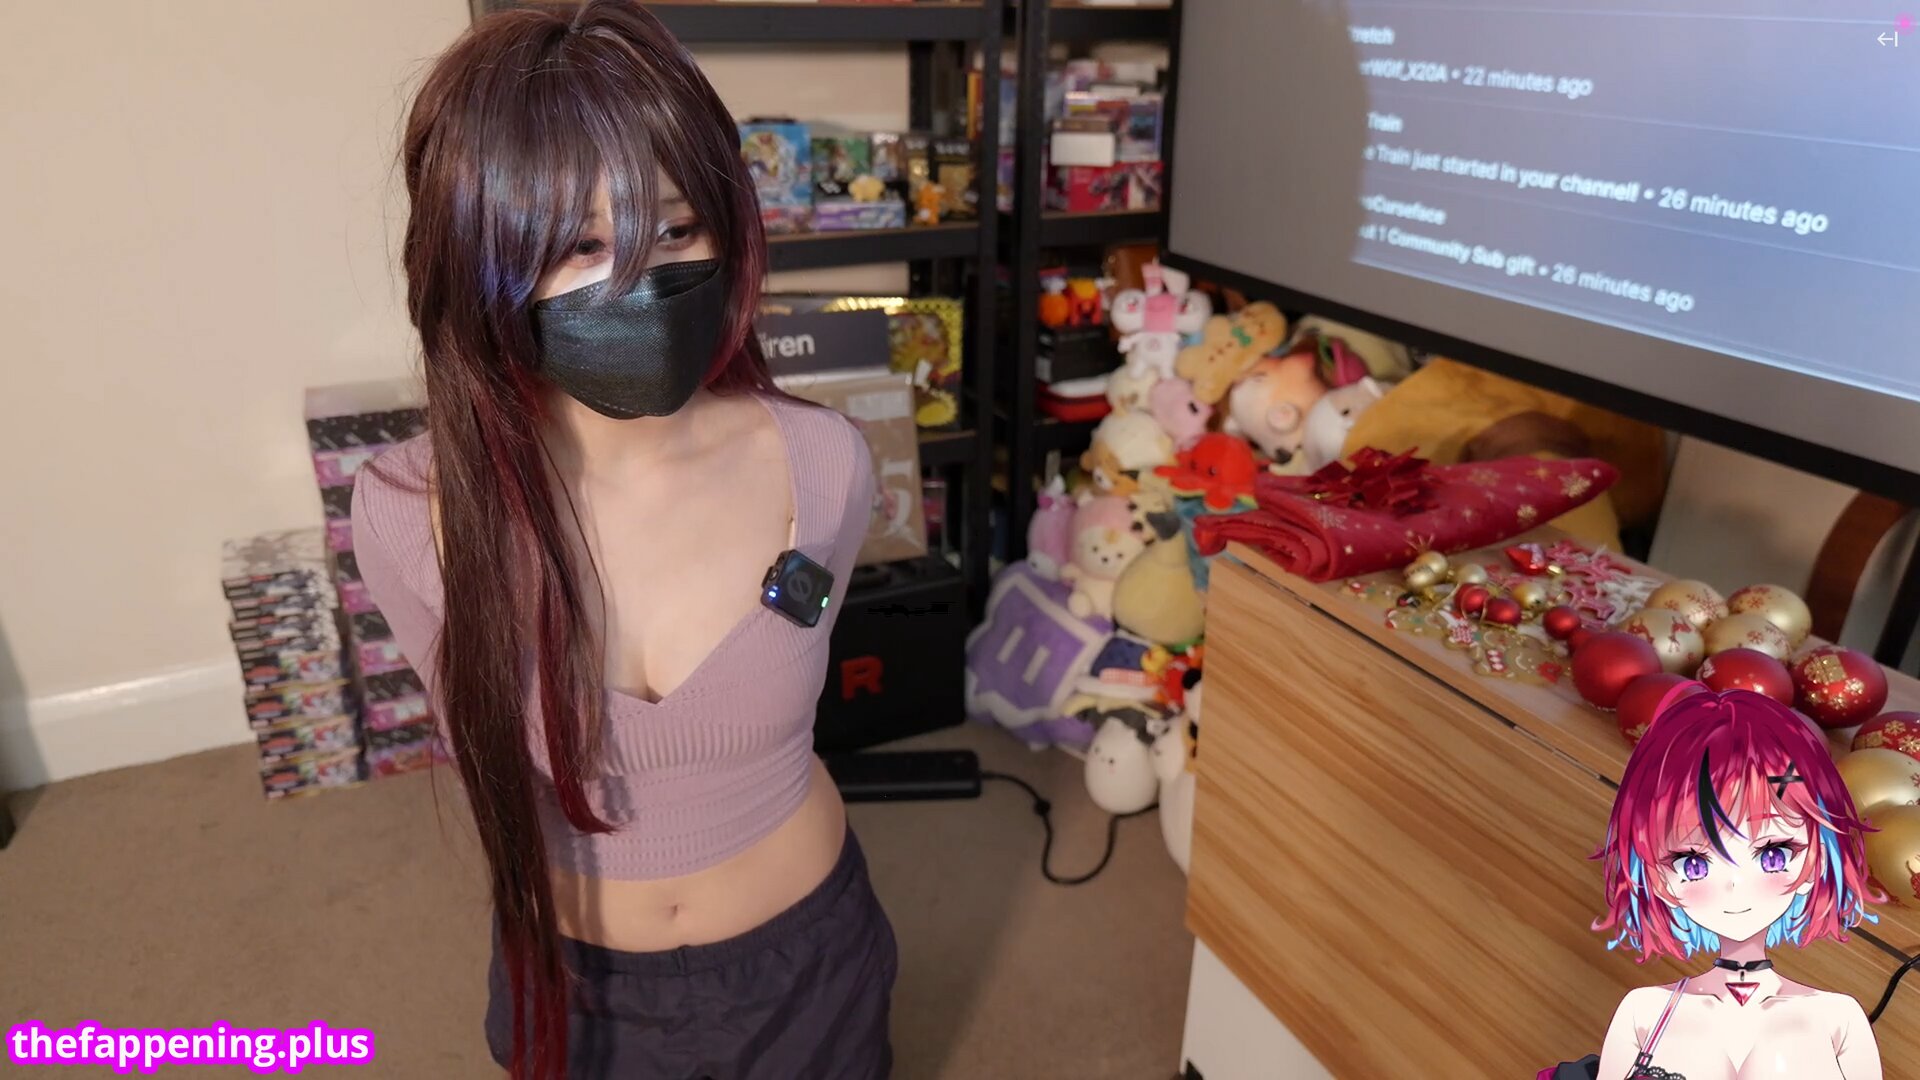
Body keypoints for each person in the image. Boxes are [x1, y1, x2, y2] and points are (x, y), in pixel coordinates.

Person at [349, 3, 894, 1077]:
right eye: (579, 247)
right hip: (579, 986)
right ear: (479, 257)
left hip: (811, 962)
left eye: (676, 232)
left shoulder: (824, 464)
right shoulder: (409, 511)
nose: (637, 283)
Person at [1590, 689, 1884, 1080]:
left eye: (1773, 855)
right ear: (1658, 878)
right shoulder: (1643, 1012)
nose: (1735, 884)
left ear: (1816, 857)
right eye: (1693, 863)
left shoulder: (1839, 1020)